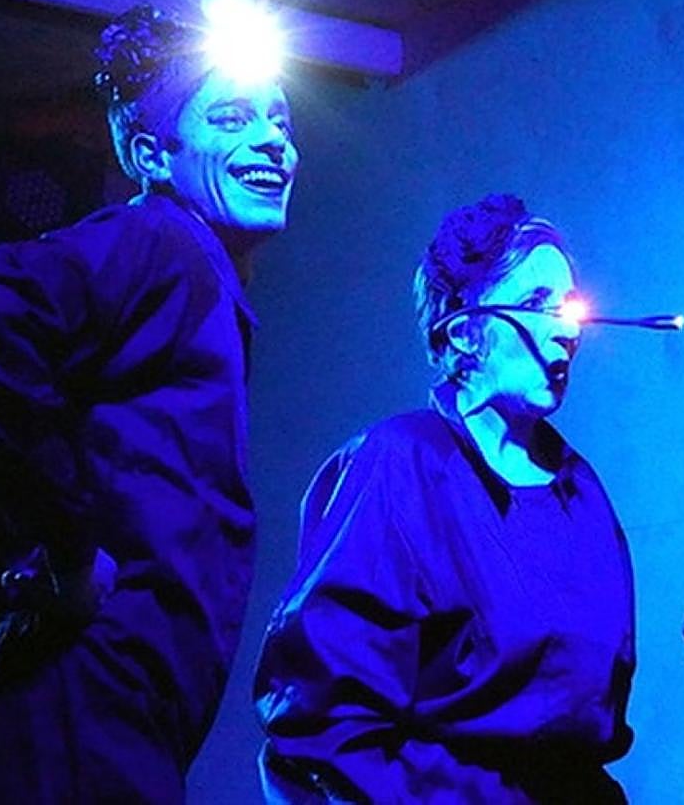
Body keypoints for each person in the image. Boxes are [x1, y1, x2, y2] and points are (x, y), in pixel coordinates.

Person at [0, 0, 298, 803]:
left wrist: (28, 575)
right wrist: (67, 556)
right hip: (71, 736)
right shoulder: (162, 244)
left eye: (280, 119)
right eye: (231, 118)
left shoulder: (191, 284)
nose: (274, 140)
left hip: (87, 733)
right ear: (151, 153)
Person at [255, 194, 635, 803]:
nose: (567, 330)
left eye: (568, 306)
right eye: (537, 303)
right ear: (465, 334)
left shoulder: (581, 493)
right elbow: (320, 710)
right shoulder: (400, 465)